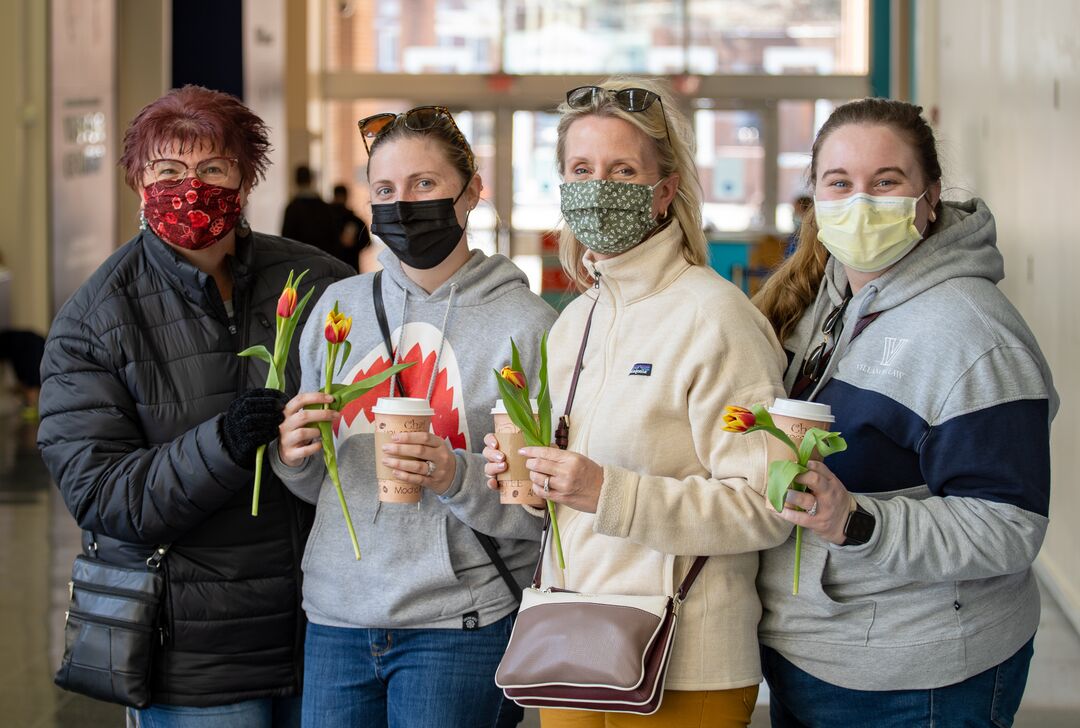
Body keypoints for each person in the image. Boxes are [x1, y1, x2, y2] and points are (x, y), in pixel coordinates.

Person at [37, 85, 353, 727]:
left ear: (245, 179)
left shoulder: (319, 282)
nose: (192, 186)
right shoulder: (96, 321)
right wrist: (227, 443)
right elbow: (103, 497)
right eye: (169, 171)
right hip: (196, 657)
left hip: (330, 634)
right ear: (137, 182)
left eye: (214, 168)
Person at [483, 77, 792, 727]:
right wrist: (535, 482)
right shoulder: (577, 321)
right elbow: (577, 489)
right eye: (581, 169)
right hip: (572, 638)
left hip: (685, 660)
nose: (599, 186)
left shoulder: (717, 319)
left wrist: (606, 491)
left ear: (665, 191)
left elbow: (768, 505)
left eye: (623, 169)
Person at [753, 98, 1057, 727]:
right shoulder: (822, 303)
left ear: (930, 198)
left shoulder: (972, 333)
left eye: (886, 182)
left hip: (918, 676)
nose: (860, 203)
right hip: (813, 649)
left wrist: (858, 521)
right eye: (840, 183)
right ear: (814, 197)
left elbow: (1008, 525)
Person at [271, 105, 556, 728]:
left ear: (472, 191)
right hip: (336, 616)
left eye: (424, 185)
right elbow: (321, 481)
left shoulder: (528, 326)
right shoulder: (335, 308)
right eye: (385, 190)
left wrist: (454, 475)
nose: (403, 206)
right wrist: (293, 456)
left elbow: (542, 508)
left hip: (461, 622)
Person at [282, 164, 339, 256]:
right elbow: (334, 238)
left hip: (300, 262)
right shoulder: (325, 208)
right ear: (311, 180)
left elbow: (286, 241)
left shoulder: (292, 208)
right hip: (323, 260)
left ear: (296, 181)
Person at [328, 183, 371, 271]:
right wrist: (354, 245)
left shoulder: (325, 218)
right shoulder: (354, 220)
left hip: (329, 265)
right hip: (350, 265)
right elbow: (367, 242)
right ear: (346, 197)